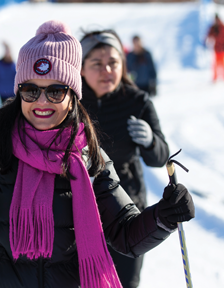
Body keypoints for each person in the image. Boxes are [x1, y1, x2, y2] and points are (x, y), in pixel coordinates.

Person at [0, 20, 195, 288]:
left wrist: (164, 217)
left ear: (73, 95)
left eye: (55, 91)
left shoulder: (88, 156)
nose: (41, 102)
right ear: (19, 92)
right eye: (31, 90)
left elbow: (125, 234)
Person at [80, 30, 170, 288]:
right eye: (97, 63)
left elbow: (161, 156)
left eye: (113, 62)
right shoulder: (71, 103)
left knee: (125, 282)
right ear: (82, 69)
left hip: (128, 210)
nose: (106, 69)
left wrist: (151, 141)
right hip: (81, 210)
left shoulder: (137, 101)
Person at [205, 14, 224, 82]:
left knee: (223, 64)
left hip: (223, 48)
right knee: (215, 64)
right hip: (217, 48)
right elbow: (209, 34)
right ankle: (215, 78)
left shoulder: (223, 27)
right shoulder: (214, 28)